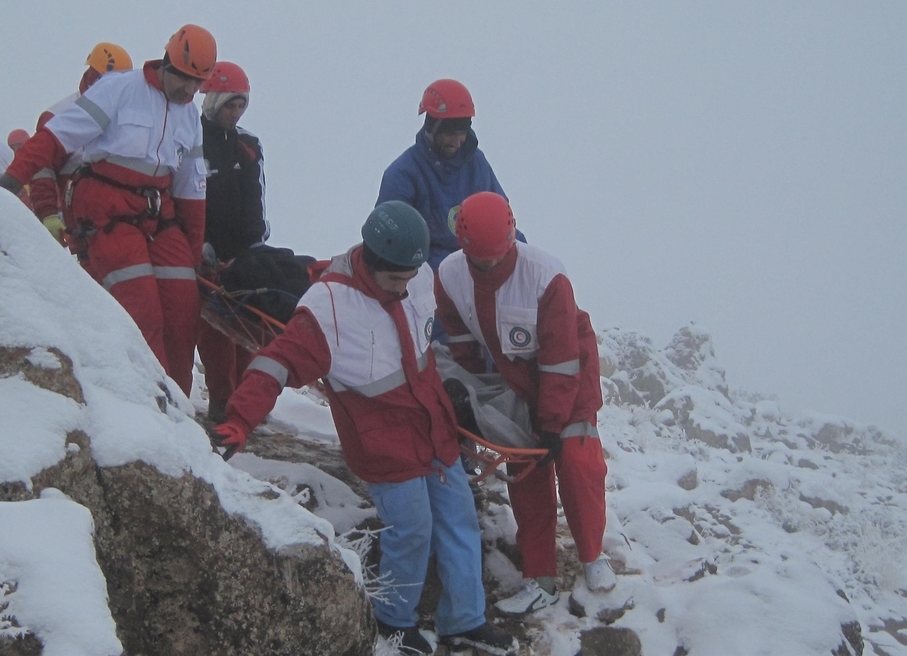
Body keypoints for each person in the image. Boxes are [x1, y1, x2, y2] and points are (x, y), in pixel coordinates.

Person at [211, 202, 518, 656]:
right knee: (411, 528)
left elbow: (433, 335)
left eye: (411, 276)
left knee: (458, 518)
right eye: (396, 279)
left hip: (433, 427)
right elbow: (276, 362)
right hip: (382, 440)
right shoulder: (328, 306)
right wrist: (239, 419)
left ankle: (464, 622)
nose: (405, 287)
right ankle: (393, 620)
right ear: (371, 262)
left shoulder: (416, 280)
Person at [0, 25, 214, 396]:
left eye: (198, 83)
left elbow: (192, 188)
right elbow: (56, 138)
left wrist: (191, 256)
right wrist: (13, 181)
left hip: (157, 213)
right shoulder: (119, 90)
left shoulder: (190, 116)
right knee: (142, 312)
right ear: (167, 64)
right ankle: (152, 406)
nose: (191, 91)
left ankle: (178, 405)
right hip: (106, 208)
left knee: (183, 311)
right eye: (186, 80)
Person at [434, 192, 616, 615]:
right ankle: (541, 578)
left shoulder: (546, 277)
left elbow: (560, 356)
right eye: (482, 261)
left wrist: (551, 423)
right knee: (526, 466)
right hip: (512, 377)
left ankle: (593, 556)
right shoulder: (449, 276)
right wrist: (477, 397)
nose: (491, 267)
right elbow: (462, 342)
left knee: (576, 460)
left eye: (498, 258)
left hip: (569, 372)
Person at [196, 61, 269, 422]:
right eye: (229, 104)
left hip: (243, 253)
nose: (235, 112)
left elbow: (257, 197)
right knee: (214, 334)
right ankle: (222, 401)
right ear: (212, 101)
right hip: (205, 254)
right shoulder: (190, 140)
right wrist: (199, 244)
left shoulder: (248, 146)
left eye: (241, 105)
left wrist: (258, 242)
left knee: (248, 326)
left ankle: (246, 399)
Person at [377, 79, 508, 275]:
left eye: (462, 133)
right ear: (432, 127)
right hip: (428, 279)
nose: (457, 142)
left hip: (481, 266)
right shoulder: (402, 175)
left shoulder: (476, 163)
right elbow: (389, 244)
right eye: (449, 133)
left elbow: (503, 220)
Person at [29, 42, 133, 246]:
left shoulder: (128, 116)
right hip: (84, 228)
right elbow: (42, 167)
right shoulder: (59, 116)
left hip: (127, 225)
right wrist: (48, 213)